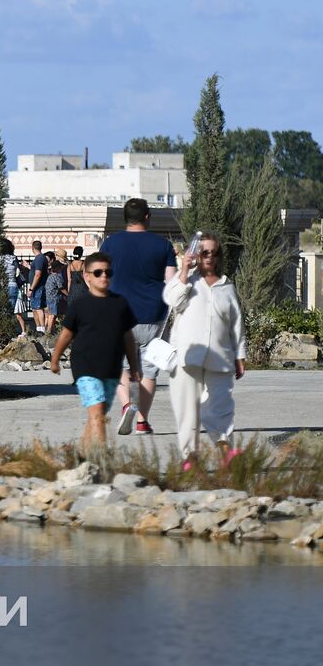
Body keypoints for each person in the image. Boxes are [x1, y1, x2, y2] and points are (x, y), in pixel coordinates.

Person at [163, 234, 246, 471]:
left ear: (219, 256)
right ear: (197, 255)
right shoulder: (188, 281)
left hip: (220, 357)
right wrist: (183, 273)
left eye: (213, 252)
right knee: (187, 410)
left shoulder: (227, 286)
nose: (209, 257)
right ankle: (190, 457)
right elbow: (172, 300)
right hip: (187, 356)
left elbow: (236, 324)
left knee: (220, 406)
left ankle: (225, 450)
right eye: (204, 252)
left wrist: (240, 354)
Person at [49, 252, 142, 450]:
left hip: (111, 369)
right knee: (98, 411)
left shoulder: (120, 303)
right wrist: (55, 358)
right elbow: (66, 334)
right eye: (98, 272)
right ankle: (102, 458)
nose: (103, 277)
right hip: (85, 368)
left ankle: (82, 453)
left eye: (108, 272)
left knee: (97, 415)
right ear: (87, 276)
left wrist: (134, 367)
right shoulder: (80, 305)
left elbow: (128, 337)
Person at [100, 198, 178, 436]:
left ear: (125, 218)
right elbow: (171, 281)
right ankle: (143, 422)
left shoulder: (110, 244)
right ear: (147, 216)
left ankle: (126, 405)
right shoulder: (163, 245)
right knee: (149, 369)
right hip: (153, 315)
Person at [0, 238, 29, 337]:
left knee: (1, 310)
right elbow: (18, 270)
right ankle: (10, 331)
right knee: (11, 311)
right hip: (13, 285)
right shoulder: (13, 258)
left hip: (1, 285)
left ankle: (2, 332)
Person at [26, 240, 48, 335]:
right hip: (36, 287)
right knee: (34, 308)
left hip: (38, 287)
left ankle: (42, 329)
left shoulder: (39, 258)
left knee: (38, 308)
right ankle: (38, 329)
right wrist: (29, 266)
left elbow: (38, 274)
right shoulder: (39, 259)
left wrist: (31, 288)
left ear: (33, 248)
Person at [45, 249, 68, 338]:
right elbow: (61, 288)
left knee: (50, 314)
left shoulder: (50, 276)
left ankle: (50, 330)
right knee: (53, 315)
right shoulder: (57, 277)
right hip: (55, 298)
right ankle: (49, 332)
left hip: (49, 298)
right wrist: (68, 294)